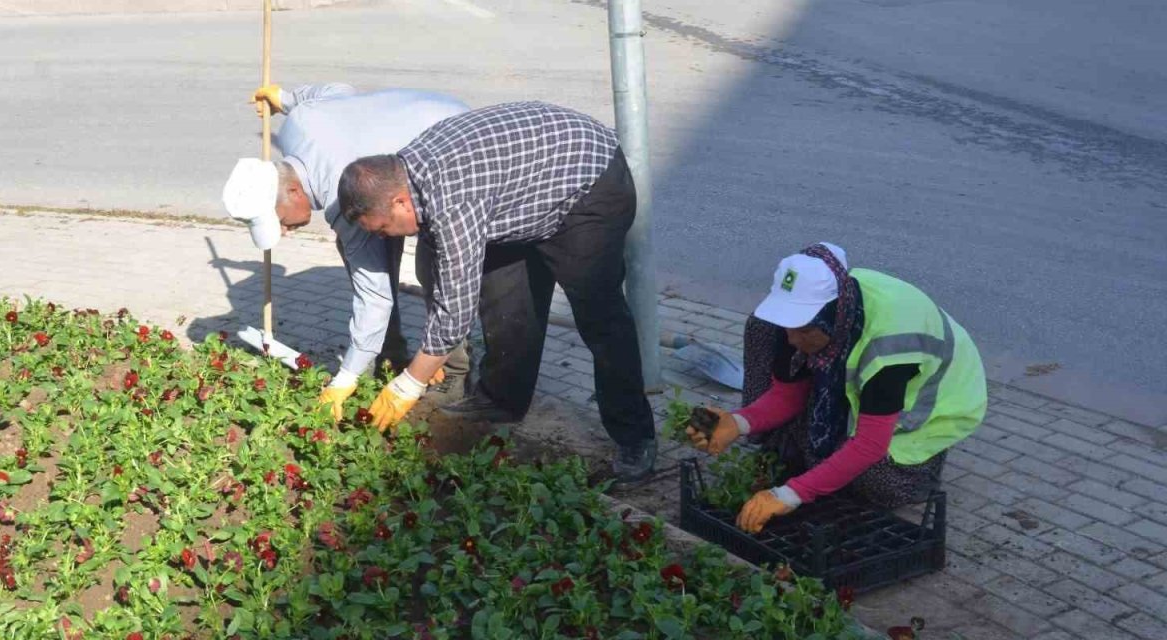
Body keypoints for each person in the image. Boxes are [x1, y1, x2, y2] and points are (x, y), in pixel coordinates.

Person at [335, 101, 657, 482]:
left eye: (382, 228)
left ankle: (635, 436)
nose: (383, 237)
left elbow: (454, 312)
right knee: (505, 300)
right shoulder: (408, 175)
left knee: (599, 317)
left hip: (587, 188)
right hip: (523, 195)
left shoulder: (451, 198)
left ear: (400, 201)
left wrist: (410, 382)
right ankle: (499, 402)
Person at [687, 243, 987, 533]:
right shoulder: (827, 316)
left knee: (871, 477)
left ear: (834, 317)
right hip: (865, 382)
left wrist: (789, 495)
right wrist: (738, 423)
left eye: (803, 329)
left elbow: (869, 445)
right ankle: (793, 444)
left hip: (928, 409)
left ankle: (921, 472)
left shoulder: (888, 350)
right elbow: (788, 394)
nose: (792, 339)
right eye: (790, 326)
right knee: (762, 328)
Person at [221, 82, 473, 418]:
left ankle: (453, 373)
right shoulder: (299, 125)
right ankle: (388, 352)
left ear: (294, 190)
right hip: (429, 107)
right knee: (362, 247)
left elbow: (375, 296)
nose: (283, 231)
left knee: (439, 266)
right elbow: (336, 91)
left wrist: (346, 376)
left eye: (279, 220)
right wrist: (286, 99)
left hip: (452, 146)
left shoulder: (345, 194)